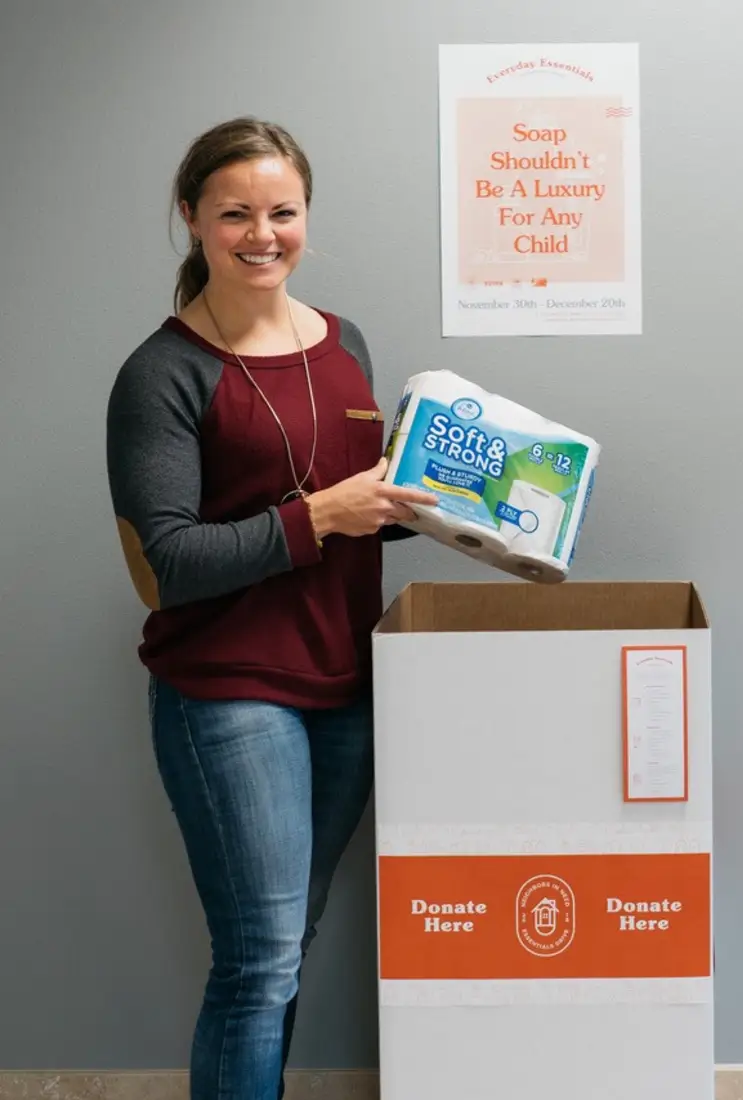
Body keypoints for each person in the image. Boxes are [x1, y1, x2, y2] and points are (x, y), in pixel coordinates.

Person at [105, 116, 437, 1100]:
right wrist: (320, 512)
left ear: (305, 218)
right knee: (258, 962)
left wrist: (458, 509)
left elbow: (354, 517)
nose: (262, 232)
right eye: (235, 212)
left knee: (284, 943)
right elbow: (166, 562)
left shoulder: (348, 345)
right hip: (228, 696)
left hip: (346, 688)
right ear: (192, 219)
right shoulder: (163, 373)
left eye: (281, 211)